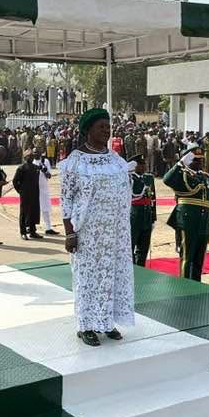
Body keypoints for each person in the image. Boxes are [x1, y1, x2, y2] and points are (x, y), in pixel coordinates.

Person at [60, 108, 135, 347]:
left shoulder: (115, 159)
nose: (106, 130)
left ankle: (106, 321)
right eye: (101, 126)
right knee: (88, 277)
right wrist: (70, 233)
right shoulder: (75, 161)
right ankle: (86, 325)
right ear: (87, 130)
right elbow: (66, 199)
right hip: (88, 233)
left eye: (108, 126)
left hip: (114, 232)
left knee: (110, 275)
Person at [163, 144, 209, 281]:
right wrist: (180, 164)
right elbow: (166, 179)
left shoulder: (205, 177)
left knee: (199, 258)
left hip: (203, 221)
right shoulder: (182, 175)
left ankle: (196, 284)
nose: (199, 162)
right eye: (195, 160)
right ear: (188, 161)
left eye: (200, 160)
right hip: (188, 220)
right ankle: (184, 286)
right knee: (187, 256)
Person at [129, 155, 157, 266]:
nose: (143, 166)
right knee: (131, 246)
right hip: (133, 216)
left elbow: (153, 199)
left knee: (144, 247)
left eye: (144, 164)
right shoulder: (129, 178)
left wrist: (153, 218)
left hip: (146, 216)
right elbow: (135, 192)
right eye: (140, 164)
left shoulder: (149, 178)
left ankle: (141, 268)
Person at [12, 150, 42, 240]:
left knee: (33, 212)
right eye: (28, 156)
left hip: (34, 193)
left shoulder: (36, 167)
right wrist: (20, 191)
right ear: (25, 158)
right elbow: (15, 181)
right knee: (24, 212)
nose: (31, 157)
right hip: (25, 194)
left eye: (32, 156)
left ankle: (32, 231)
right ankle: (23, 232)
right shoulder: (21, 168)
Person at [34, 148, 58, 235]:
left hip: (44, 189)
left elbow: (49, 176)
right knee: (34, 209)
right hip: (34, 189)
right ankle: (31, 227)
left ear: (40, 153)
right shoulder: (31, 162)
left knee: (45, 208)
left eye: (37, 152)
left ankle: (48, 228)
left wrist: (44, 171)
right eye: (34, 153)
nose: (35, 154)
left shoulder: (45, 161)